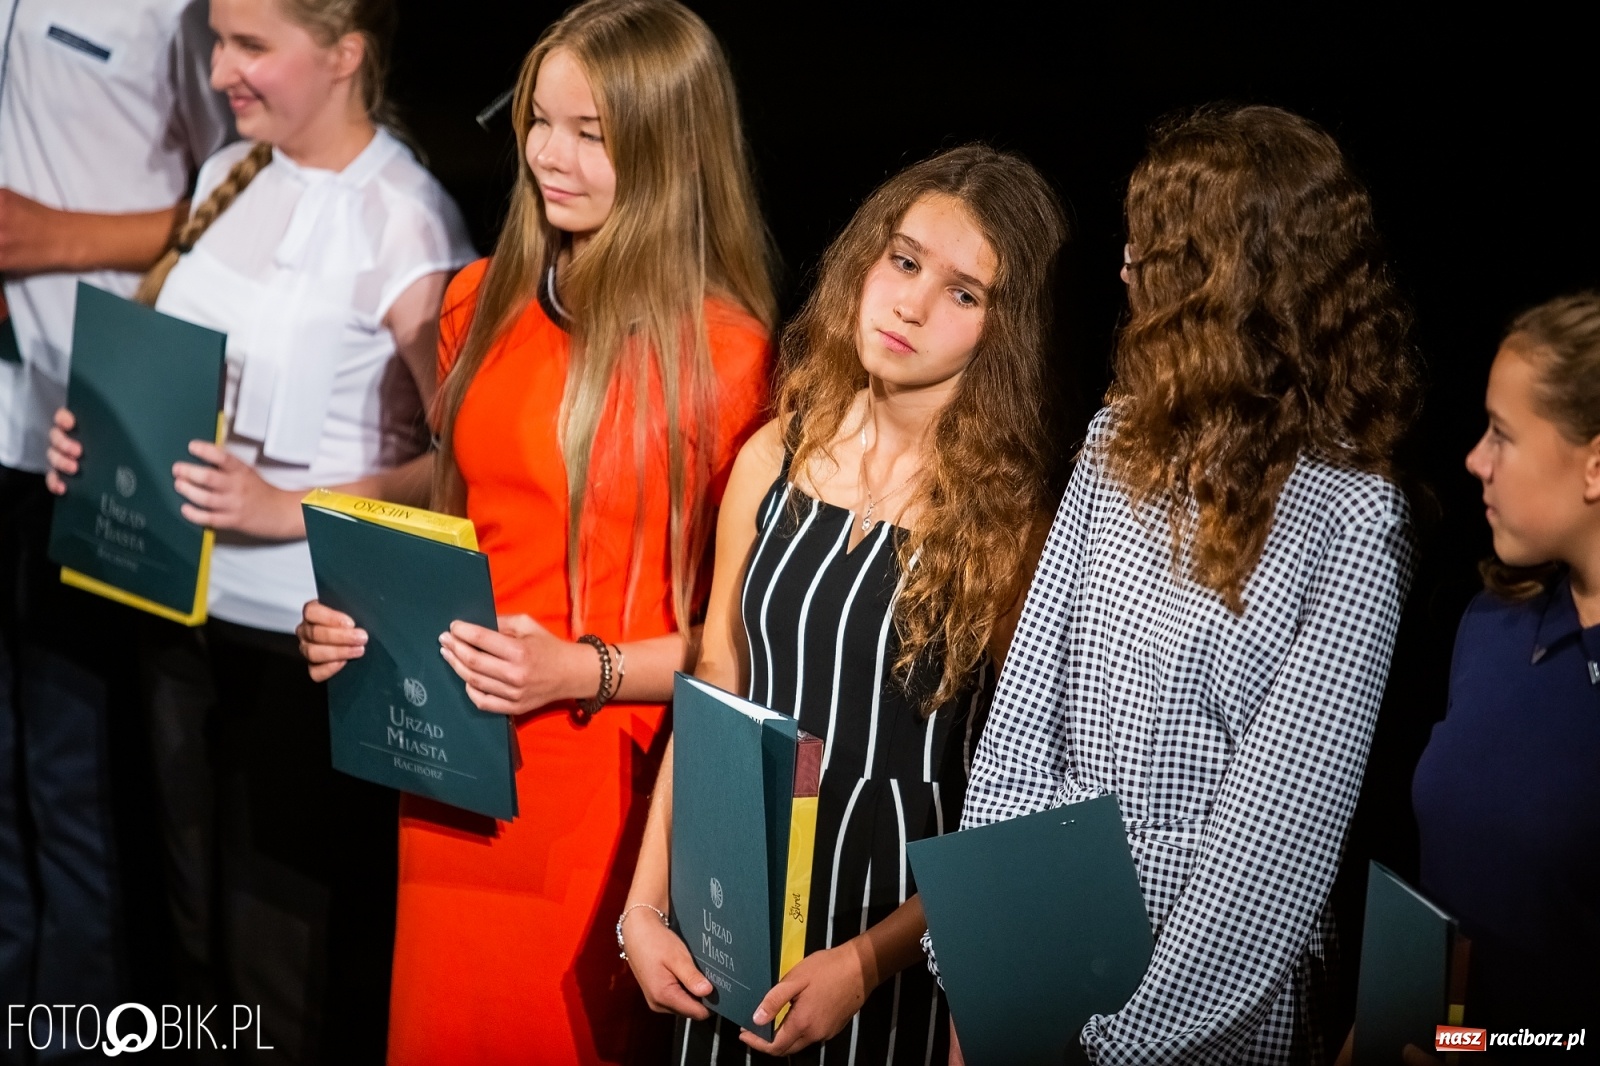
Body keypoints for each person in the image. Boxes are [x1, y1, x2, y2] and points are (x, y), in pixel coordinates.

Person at [295, 1, 775, 1061]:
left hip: (610, 802)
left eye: (590, 133)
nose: (549, 157)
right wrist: (355, 614)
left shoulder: (732, 360)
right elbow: (452, 534)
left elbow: (743, 649)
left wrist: (581, 671)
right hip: (453, 769)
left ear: (667, 144)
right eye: (537, 122)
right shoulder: (473, 302)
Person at [45, 0, 473, 1058]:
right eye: (217, 42)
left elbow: (466, 467)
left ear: (345, 53)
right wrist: (96, 437)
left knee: (286, 953)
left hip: (307, 643)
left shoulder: (405, 221)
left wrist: (289, 508)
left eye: (252, 47)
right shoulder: (228, 175)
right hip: (179, 608)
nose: (222, 71)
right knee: (192, 929)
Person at [954, 104, 1419, 1065]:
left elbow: (1278, 837)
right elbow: (1023, 720)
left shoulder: (1351, 521)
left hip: (1205, 1008)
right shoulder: (1115, 443)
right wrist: (989, 964)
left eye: (1152, 251)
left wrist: (1120, 1044)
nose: (1125, 269)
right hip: (1045, 946)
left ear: (1223, 285)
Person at [616, 144, 1067, 1063]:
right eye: (903, 261)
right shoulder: (770, 456)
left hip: (891, 942)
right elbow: (710, 699)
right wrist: (642, 908)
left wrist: (866, 964)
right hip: (735, 913)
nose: (911, 304)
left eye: (963, 292)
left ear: (1002, 329)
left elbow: (1016, 801)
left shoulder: (1012, 525)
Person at [0, 0, 232, 1029]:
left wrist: (53, 238)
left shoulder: (181, 12)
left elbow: (245, 196)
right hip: (6, 425)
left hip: (92, 438)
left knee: (80, 796)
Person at [1409, 294, 1600, 1059]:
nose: (1474, 460)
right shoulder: (1491, 625)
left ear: (1594, 466)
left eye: (1503, 435)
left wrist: (1483, 1051)